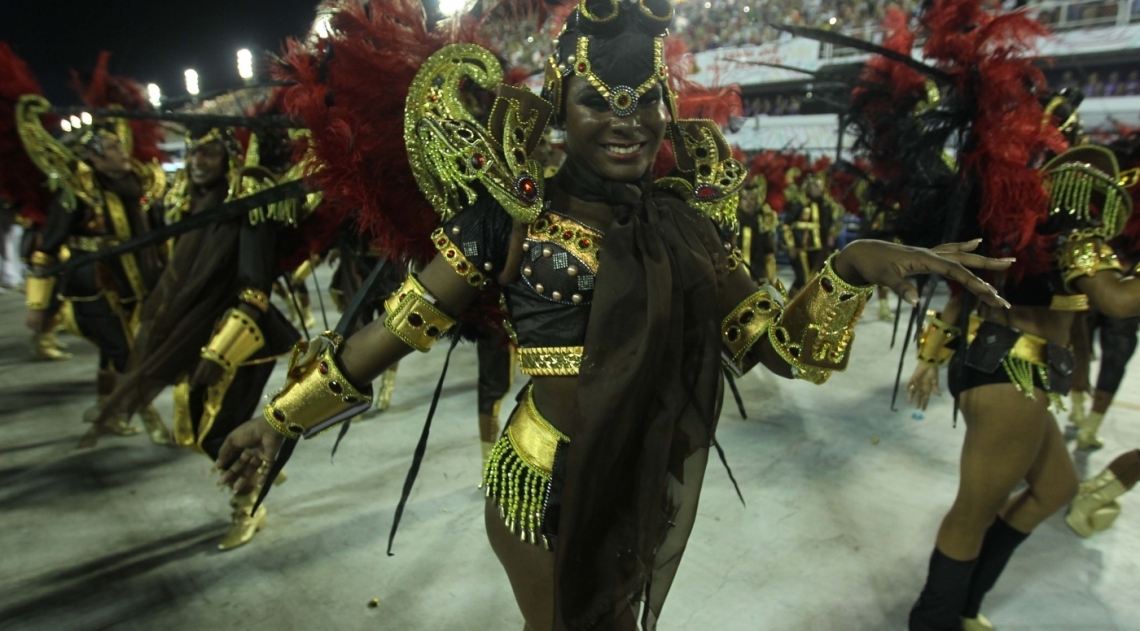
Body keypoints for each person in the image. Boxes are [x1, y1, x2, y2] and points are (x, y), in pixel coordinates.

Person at [216, 1, 1010, 629]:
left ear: (666, 106)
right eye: (600, 101)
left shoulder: (685, 222)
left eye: (643, 101)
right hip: (541, 481)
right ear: (561, 103)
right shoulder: (509, 217)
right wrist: (280, 421)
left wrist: (852, 264)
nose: (626, 120)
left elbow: (782, 351)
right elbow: (392, 335)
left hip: (638, 475)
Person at [881, 2, 1140, 628]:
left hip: (1006, 368)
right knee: (973, 509)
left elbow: (967, 290)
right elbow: (1115, 302)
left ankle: (963, 607)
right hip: (1013, 375)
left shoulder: (1016, 213)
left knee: (1057, 491)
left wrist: (932, 356)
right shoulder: (1071, 213)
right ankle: (935, 619)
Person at [89, 126, 309, 549]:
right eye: (192, 154)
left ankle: (248, 509)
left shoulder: (250, 204)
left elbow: (254, 291)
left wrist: (218, 353)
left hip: (243, 339)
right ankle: (258, 468)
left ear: (229, 157)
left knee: (215, 430)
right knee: (191, 424)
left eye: (207, 153)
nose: (196, 162)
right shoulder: (192, 206)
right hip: (201, 330)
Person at [18, 97, 170, 444]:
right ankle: (148, 418)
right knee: (128, 355)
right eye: (113, 149)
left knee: (113, 354)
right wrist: (38, 307)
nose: (122, 153)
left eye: (120, 146)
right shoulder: (77, 196)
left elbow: (155, 235)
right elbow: (47, 251)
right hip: (96, 288)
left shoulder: (136, 187)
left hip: (139, 283)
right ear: (93, 159)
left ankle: (107, 410)